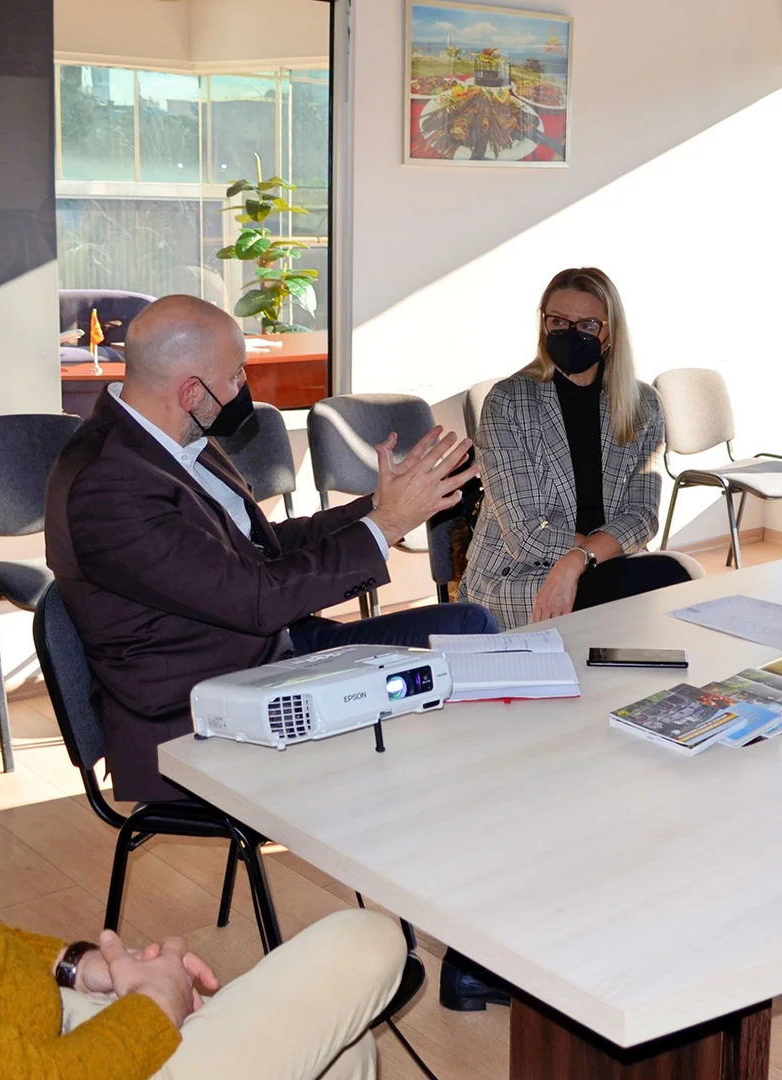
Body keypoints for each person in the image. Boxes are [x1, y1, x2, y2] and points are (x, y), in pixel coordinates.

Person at [0, 402, 407, 1080]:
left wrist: (75, 965)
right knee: (369, 942)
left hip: (26, 1023)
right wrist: (153, 1008)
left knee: (343, 1051)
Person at [46, 294, 498, 808]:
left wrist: (379, 506)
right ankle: (447, 820)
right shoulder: (108, 484)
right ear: (190, 391)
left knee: (468, 629)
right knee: (433, 713)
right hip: (210, 708)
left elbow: (266, 547)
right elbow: (255, 599)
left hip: (273, 657)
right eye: (236, 375)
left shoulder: (177, 439)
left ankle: (483, 803)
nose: (244, 386)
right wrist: (387, 524)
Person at [459, 267, 689, 629]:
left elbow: (643, 515)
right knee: (664, 581)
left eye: (588, 325)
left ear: (611, 331)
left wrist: (580, 559)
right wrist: (584, 558)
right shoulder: (508, 401)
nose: (571, 334)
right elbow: (525, 533)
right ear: (543, 323)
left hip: (598, 563)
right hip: (519, 575)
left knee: (676, 575)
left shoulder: (643, 404)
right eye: (558, 322)